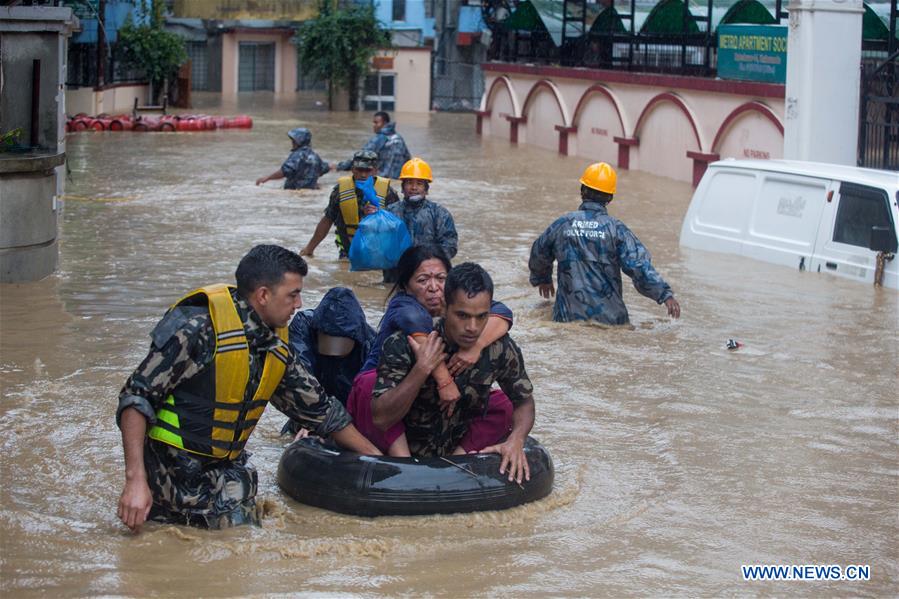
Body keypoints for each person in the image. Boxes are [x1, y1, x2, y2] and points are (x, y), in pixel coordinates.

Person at [115, 245, 380, 532]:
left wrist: (380, 463)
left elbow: (322, 412)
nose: (300, 304)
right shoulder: (197, 330)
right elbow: (136, 398)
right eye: (293, 294)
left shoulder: (274, 346)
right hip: (169, 486)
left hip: (227, 483)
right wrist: (135, 481)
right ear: (263, 295)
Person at [368, 262, 535, 483]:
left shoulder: (499, 348)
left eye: (482, 317)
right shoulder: (404, 343)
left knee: (501, 406)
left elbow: (523, 401)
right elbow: (381, 418)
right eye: (462, 316)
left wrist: (517, 439)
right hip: (403, 458)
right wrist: (422, 369)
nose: (472, 327)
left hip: (457, 454)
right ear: (444, 307)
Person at [347, 245, 515, 458]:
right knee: (369, 384)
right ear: (406, 286)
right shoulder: (404, 306)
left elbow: (502, 312)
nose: (434, 287)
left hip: (430, 393)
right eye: (423, 280)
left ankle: (457, 458)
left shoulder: (460, 307)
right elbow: (418, 327)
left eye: (441, 278)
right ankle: (404, 462)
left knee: (500, 402)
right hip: (386, 389)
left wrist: (476, 346)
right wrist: (445, 380)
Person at [528, 162, 681, 325]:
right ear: (610, 198)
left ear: (582, 191)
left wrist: (542, 279)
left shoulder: (562, 224)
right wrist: (665, 295)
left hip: (568, 318)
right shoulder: (617, 229)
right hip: (611, 321)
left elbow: (539, 253)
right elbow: (639, 266)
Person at [281, 286, 377, 436]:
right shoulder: (304, 327)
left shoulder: (370, 344)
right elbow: (300, 376)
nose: (334, 354)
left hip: (349, 419)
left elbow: (371, 399)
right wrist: (309, 420)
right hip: (307, 411)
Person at [300, 150, 399, 260]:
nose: (363, 174)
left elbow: (397, 226)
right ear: (352, 169)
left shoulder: (387, 193)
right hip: (347, 253)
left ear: (375, 171)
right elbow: (327, 220)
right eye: (359, 170)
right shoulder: (340, 191)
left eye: (368, 170)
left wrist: (379, 215)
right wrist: (309, 249)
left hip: (377, 253)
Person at [383, 157, 457, 282]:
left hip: (428, 278)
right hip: (395, 278)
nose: (414, 188)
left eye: (419, 183)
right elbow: (378, 244)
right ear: (402, 187)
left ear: (426, 189)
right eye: (409, 183)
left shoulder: (440, 213)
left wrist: (427, 261)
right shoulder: (389, 212)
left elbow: (450, 246)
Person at [336, 111, 411, 180]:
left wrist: (340, 167)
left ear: (384, 123)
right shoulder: (399, 138)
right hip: (397, 179)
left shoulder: (380, 138)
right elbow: (408, 159)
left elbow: (360, 157)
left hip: (381, 178)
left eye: (376, 122)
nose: (374, 125)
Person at [255, 127, 332, 189]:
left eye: (293, 140)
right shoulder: (315, 157)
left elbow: (284, 171)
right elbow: (325, 168)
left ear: (298, 141)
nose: (292, 143)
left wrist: (267, 178)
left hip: (294, 191)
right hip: (310, 191)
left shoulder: (297, 155)